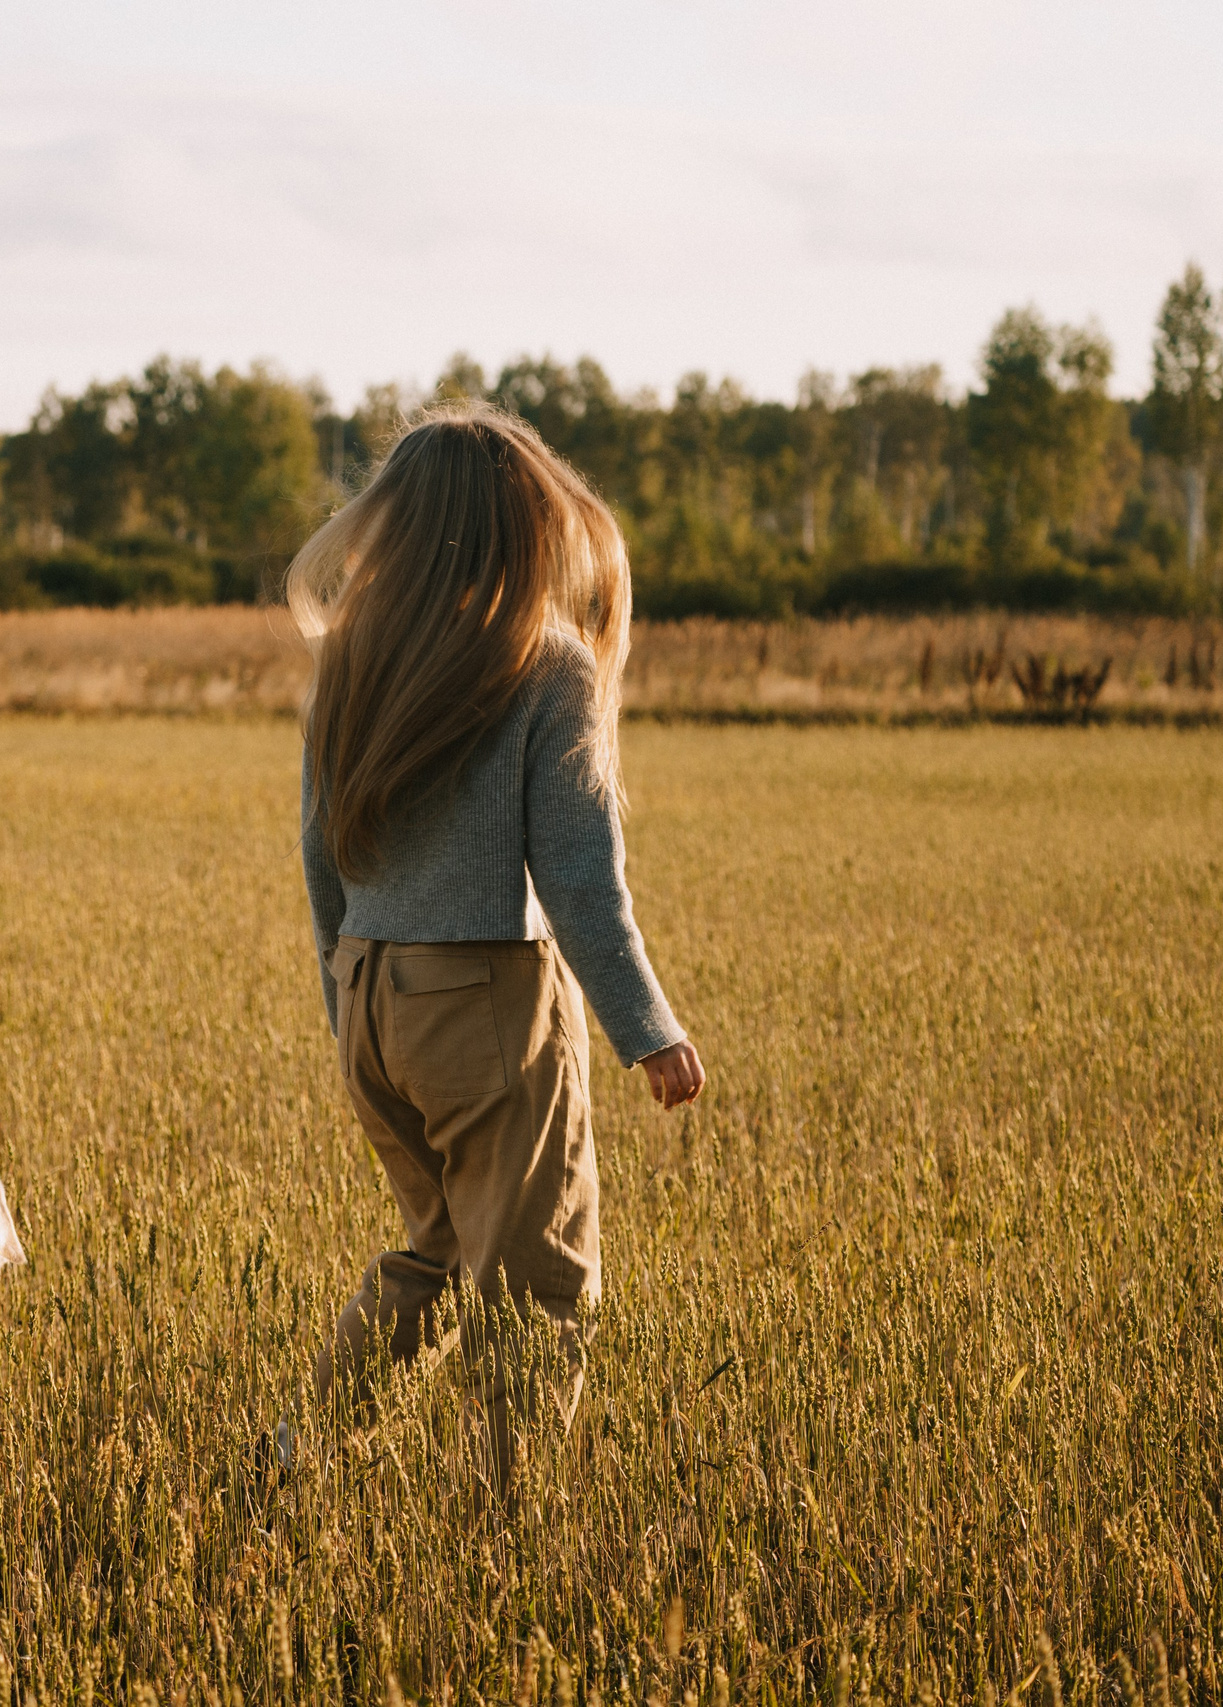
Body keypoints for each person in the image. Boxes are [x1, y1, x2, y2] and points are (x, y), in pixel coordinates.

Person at [290, 400, 705, 1490]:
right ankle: (509, 1528)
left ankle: (300, 1459)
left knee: (430, 1258)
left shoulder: (350, 657)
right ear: (527, 527)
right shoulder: (548, 665)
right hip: (485, 1000)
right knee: (538, 1288)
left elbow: (319, 856)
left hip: (374, 995)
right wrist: (646, 1029)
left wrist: (352, 1010)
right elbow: (578, 881)